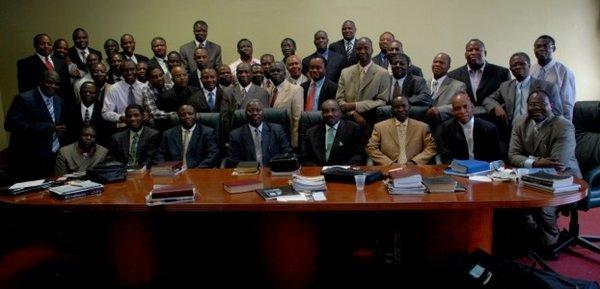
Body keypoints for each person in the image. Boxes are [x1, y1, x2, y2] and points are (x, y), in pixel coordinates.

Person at [508, 89, 581, 259]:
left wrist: (527, 160)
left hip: (564, 177)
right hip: (530, 175)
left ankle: (551, 243)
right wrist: (537, 162)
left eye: (542, 104)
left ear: (551, 106)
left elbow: (558, 163)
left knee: (543, 206)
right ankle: (531, 233)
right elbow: (512, 155)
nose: (536, 108)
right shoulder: (520, 122)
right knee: (512, 201)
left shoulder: (563, 126)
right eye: (532, 104)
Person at [5, 71, 67, 180]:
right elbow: (11, 125)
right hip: (28, 158)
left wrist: (59, 129)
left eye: (56, 84)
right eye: (49, 82)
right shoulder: (24, 99)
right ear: (41, 82)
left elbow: (55, 124)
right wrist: (46, 127)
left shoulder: (59, 100)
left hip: (53, 157)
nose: (53, 86)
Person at [483, 52, 561, 139]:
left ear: (529, 65)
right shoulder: (505, 86)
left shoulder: (547, 87)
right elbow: (488, 100)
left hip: (539, 133)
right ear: (511, 69)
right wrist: (496, 107)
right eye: (514, 65)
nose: (518, 67)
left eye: (521, 64)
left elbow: (557, 113)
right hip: (511, 133)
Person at [335, 37, 390, 133]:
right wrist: (353, 112)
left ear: (372, 50)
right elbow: (339, 100)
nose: (362, 51)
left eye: (366, 48)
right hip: (347, 121)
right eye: (359, 49)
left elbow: (382, 101)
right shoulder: (345, 72)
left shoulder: (383, 73)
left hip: (372, 121)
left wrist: (355, 105)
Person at [366, 96, 436, 165]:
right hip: (389, 169)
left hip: (414, 168)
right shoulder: (380, 127)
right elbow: (371, 148)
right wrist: (389, 163)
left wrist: (414, 162)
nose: (400, 109)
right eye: (396, 107)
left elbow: (431, 148)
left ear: (409, 107)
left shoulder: (422, 127)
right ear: (392, 110)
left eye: (404, 106)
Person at [435, 92, 502, 164]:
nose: (462, 111)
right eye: (457, 108)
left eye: (465, 107)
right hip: (457, 171)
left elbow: (495, 158)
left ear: (472, 107)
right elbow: (447, 158)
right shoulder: (445, 129)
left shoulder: (489, 129)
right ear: (453, 111)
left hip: (484, 171)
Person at [226, 100, 292, 167]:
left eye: (258, 110)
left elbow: (286, 154)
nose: (254, 113)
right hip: (247, 173)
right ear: (245, 114)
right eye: (250, 111)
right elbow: (233, 162)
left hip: (272, 171)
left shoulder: (277, 130)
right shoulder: (235, 135)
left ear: (263, 113)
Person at [447, 39, 511, 106]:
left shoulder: (502, 73)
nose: (473, 52)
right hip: (464, 116)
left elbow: (508, 100)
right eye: (470, 50)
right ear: (465, 54)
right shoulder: (453, 76)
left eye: (477, 49)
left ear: (485, 53)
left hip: (492, 115)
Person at [154, 104, 220, 168]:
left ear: (196, 115)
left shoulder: (207, 132)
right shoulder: (168, 134)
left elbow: (212, 155)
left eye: (190, 113)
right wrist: (165, 169)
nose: (187, 117)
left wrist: (196, 171)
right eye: (183, 114)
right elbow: (159, 155)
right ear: (178, 117)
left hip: (198, 171)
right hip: (174, 173)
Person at [302, 100, 364, 166]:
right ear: (322, 114)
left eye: (334, 110)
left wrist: (344, 170)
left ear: (340, 112)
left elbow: (358, 156)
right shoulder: (311, 132)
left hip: (343, 172)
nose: (330, 114)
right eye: (326, 111)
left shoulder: (353, 129)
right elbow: (305, 158)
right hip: (318, 172)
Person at [530, 35, 576, 121]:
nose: (541, 49)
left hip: (554, 120)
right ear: (534, 50)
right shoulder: (530, 70)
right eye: (538, 46)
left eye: (545, 46)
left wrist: (566, 125)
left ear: (553, 48)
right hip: (533, 120)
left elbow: (567, 103)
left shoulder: (564, 72)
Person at [268, 61, 304, 148]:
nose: (275, 73)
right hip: (272, 138)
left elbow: (297, 118)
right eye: (272, 71)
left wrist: (294, 142)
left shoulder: (296, 89)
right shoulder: (271, 90)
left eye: (278, 70)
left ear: (284, 73)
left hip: (287, 138)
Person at [65, 81, 111, 147]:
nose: (88, 94)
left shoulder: (103, 111)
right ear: (80, 93)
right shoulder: (71, 112)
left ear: (96, 94)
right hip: (76, 149)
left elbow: (105, 134)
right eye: (85, 91)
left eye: (91, 92)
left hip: (98, 149)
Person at [102, 60, 145, 128]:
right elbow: (105, 113)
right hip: (122, 125)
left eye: (132, 69)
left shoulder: (144, 87)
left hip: (142, 125)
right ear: (121, 72)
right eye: (125, 70)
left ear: (136, 70)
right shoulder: (114, 89)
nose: (129, 73)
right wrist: (121, 117)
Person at [425, 53, 467, 123]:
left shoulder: (459, 86)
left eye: (441, 63)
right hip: (424, 124)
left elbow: (461, 105)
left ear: (448, 67)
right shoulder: (424, 83)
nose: (437, 64)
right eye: (435, 62)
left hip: (445, 125)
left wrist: (439, 110)